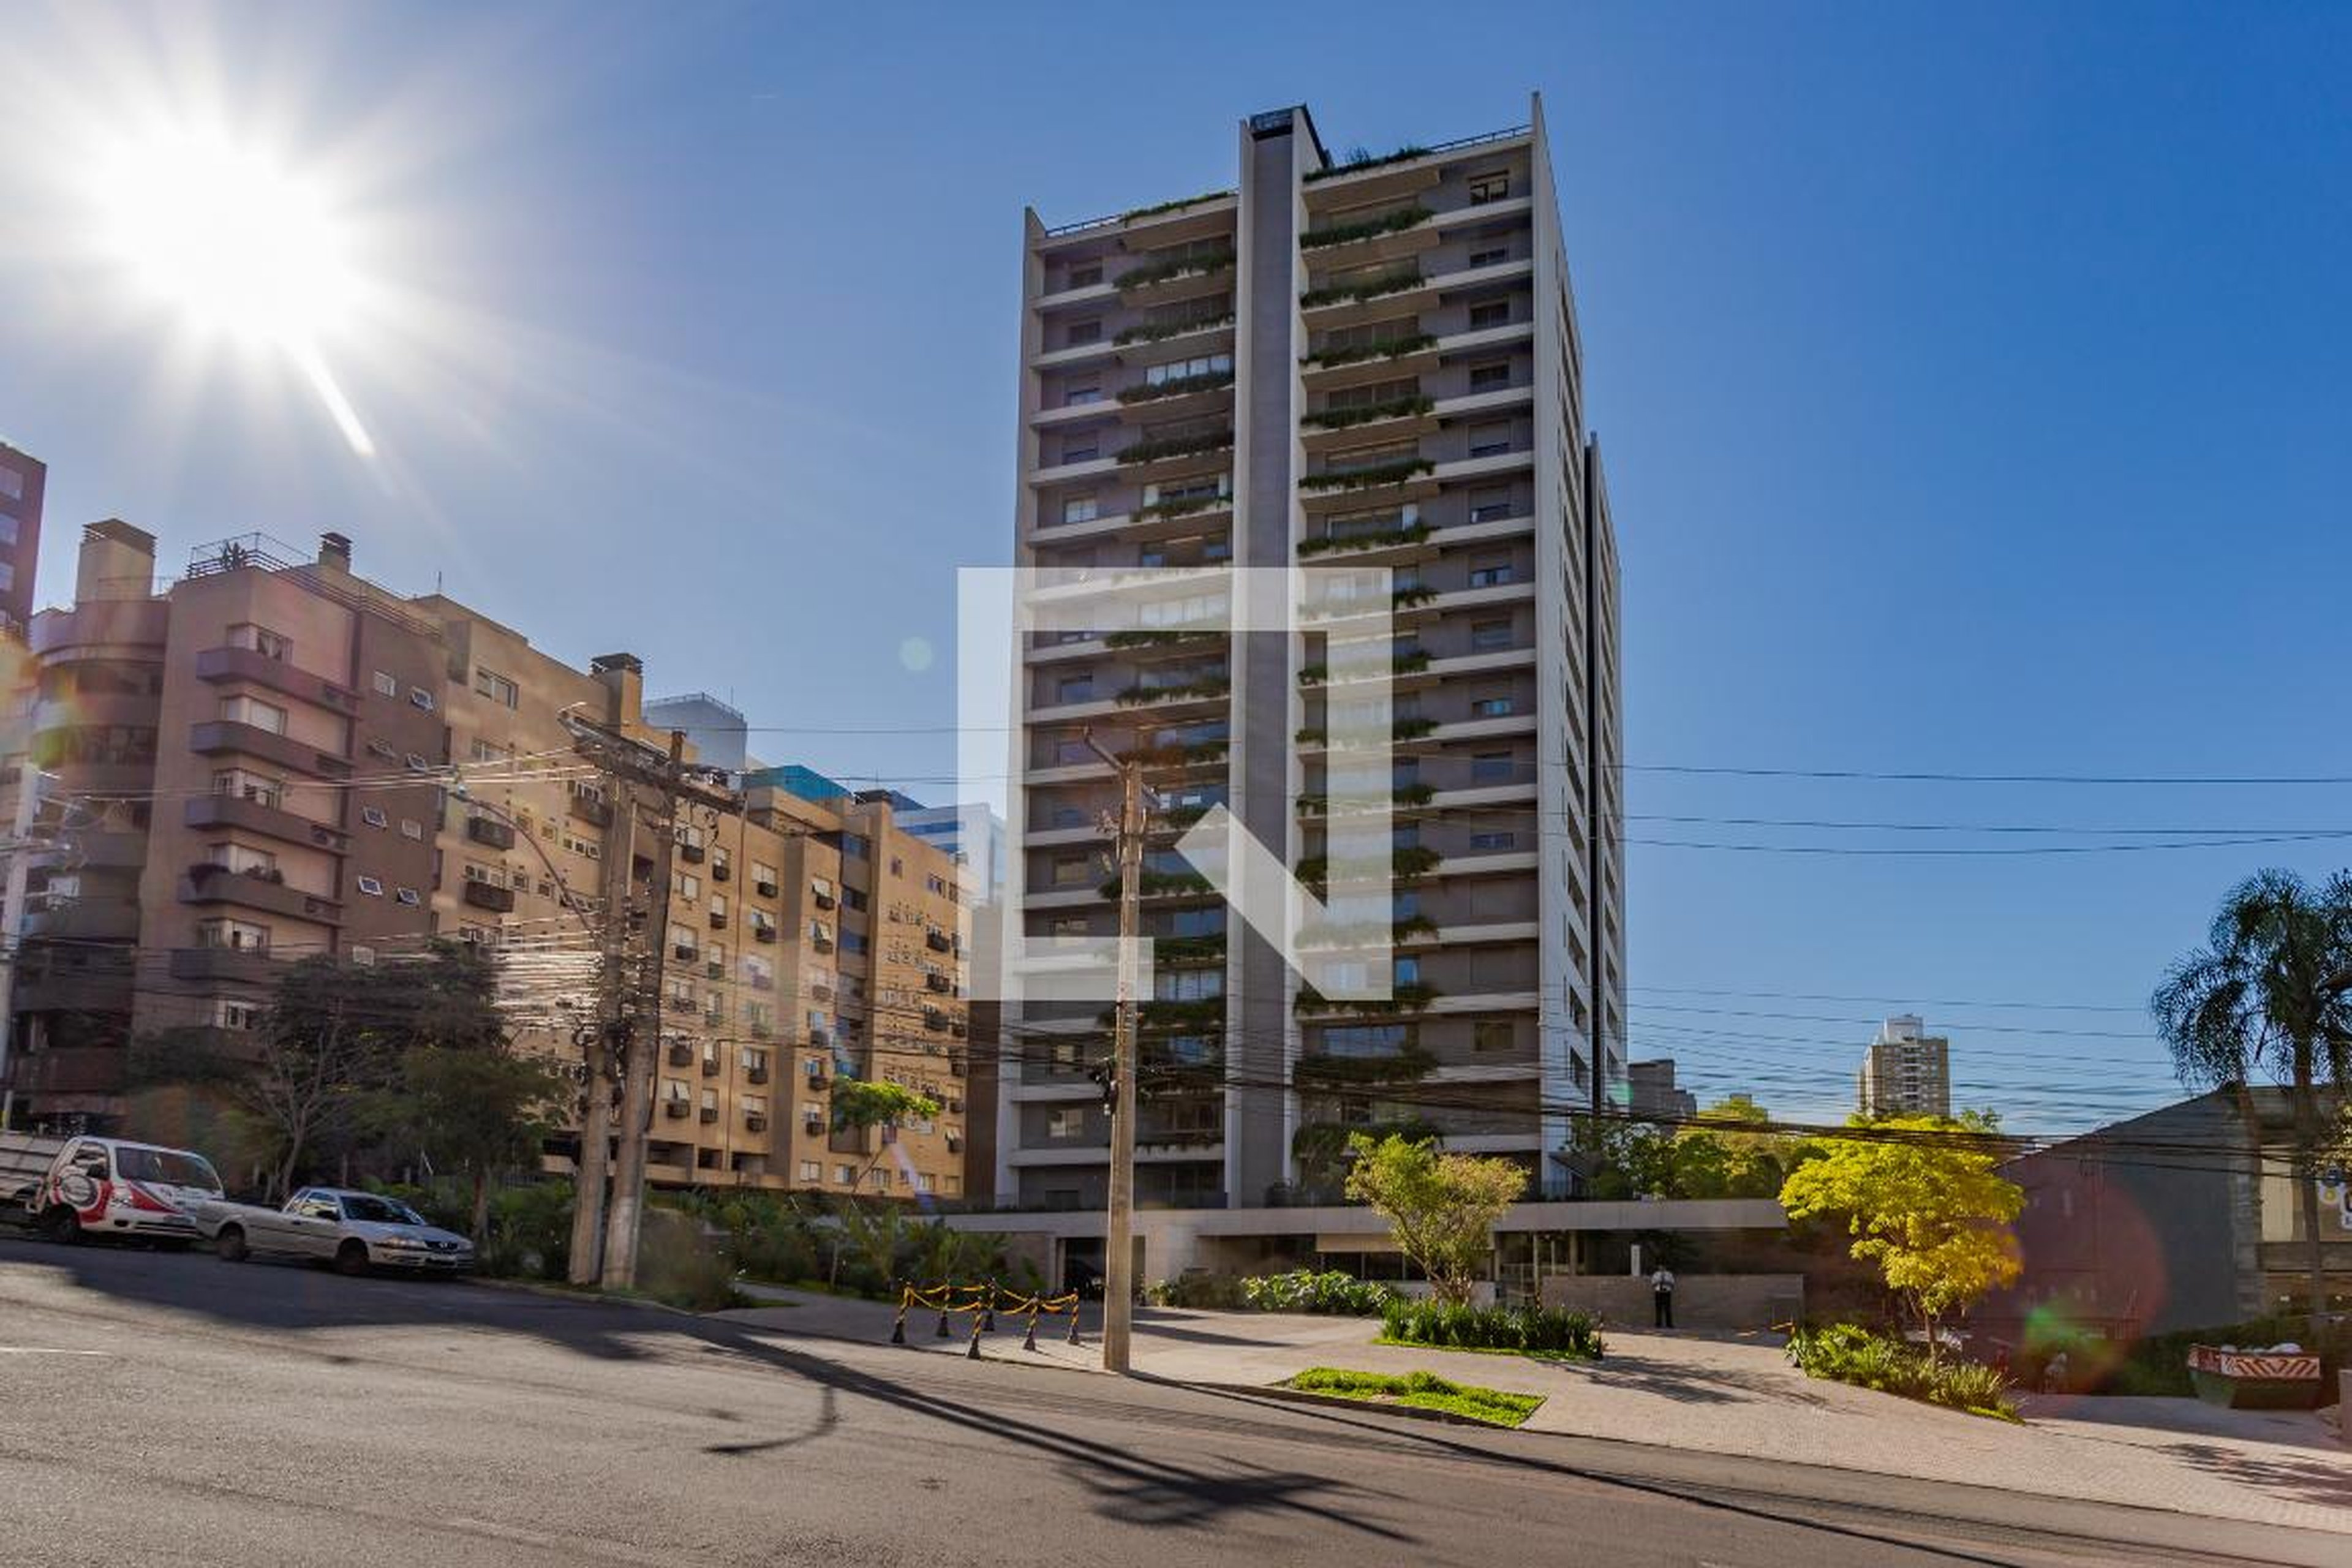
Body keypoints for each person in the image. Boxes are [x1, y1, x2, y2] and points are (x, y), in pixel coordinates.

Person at [1651, 1265, 1676, 1329]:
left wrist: (1667, 1282)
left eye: (1663, 1267)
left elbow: (1673, 1283)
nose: (1661, 1268)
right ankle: (1658, 1324)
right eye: (1660, 1267)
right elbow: (1653, 1284)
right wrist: (1658, 1282)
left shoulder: (1669, 1274)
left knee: (1668, 1308)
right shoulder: (1656, 1274)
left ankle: (1669, 1324)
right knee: (1658, 1308)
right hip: (1658, 1292)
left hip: (1667, 1292)